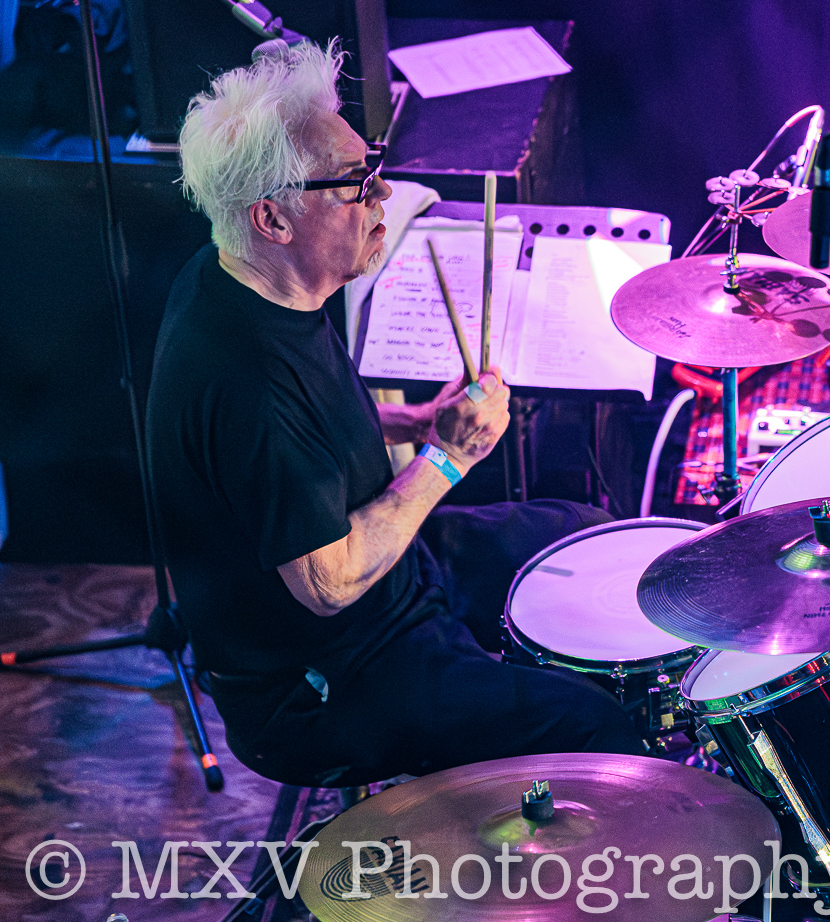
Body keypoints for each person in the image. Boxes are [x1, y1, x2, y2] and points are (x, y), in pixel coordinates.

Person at [144, 41, 645, 788]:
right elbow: (329, 581)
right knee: (596, 725)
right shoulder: (248, 384)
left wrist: (411, 424)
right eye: (356, 183)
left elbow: (308, 431)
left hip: (389, 581)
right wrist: (447, 457)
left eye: (372, 166)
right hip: (325, 678)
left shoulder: (237, 273)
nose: (383, 193)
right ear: (273, 217)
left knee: (588, 537)